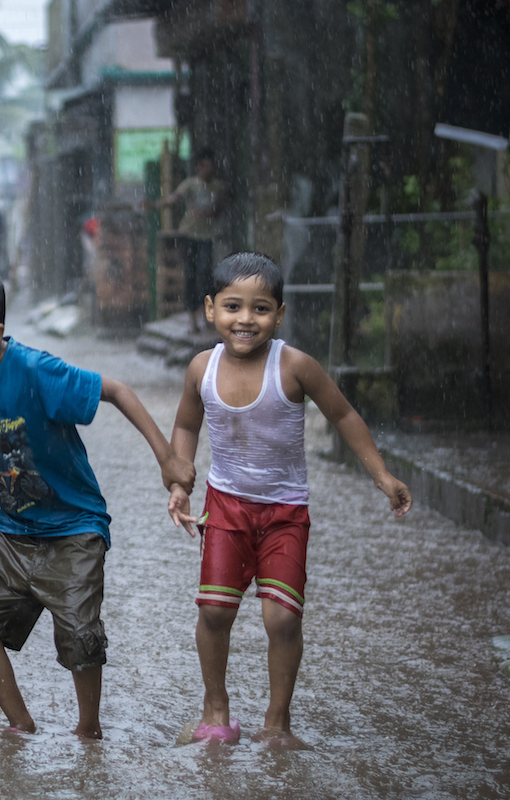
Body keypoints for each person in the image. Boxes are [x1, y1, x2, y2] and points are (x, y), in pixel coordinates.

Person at [0, 265, 194, 739]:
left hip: (74, 526)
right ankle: (20, 726)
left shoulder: (37, 371)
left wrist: (166, 458)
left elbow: (117, 391)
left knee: (81, 639)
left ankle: (88, 731)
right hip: (13, 526)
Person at [166, 252, 412, 749]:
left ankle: (277, 721)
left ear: (279, 314)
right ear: (211, 309)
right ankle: (216, 713)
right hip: (226, 506)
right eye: (233, 307)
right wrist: (179, 481)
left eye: (260, 309)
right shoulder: (201, 368)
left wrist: (381, 474)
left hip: (285, 513)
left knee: (282, 617)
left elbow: (343, 416)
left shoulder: (295, 366)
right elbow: (188, 425)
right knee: (215, 612)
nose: (245, 320)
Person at [155, 148, 229, 334]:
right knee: (190, 275)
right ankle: (192, 319)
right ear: (198, 167)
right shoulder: (190, 184)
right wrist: (157, 204)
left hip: (206, 237)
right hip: (188, 235)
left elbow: (220, 209)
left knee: (205, 274)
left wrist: (210, 214)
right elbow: (174, 199)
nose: (206, 169)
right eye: (203, 166)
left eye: (209, 166)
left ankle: (206, 316)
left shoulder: (218, 187)